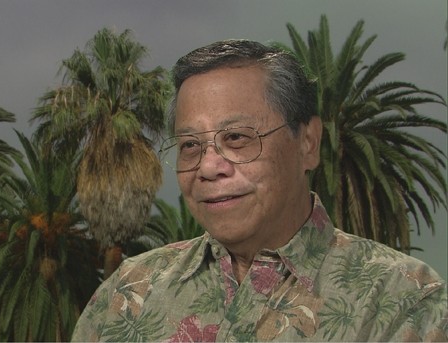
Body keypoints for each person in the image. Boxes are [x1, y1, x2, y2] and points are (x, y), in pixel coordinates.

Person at [71, 39, 447, 342]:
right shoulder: (128, 291)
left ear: (308, 143)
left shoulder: (404, 300)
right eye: (189, 145)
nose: (207, 166)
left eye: (236, 138)